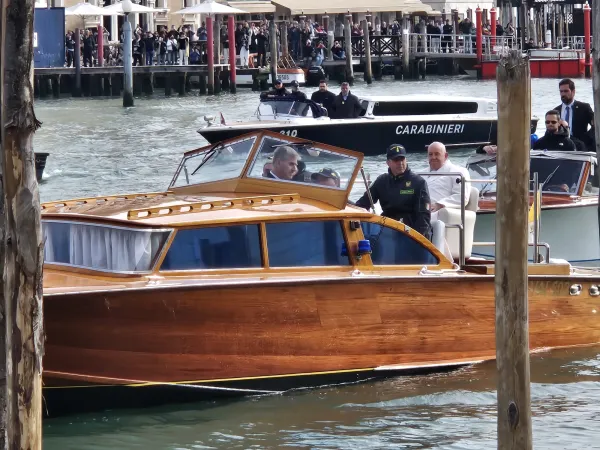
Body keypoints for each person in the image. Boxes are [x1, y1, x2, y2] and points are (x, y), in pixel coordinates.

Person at [354, 144, 432, 240]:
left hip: (411, 233)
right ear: (388, 162)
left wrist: (416, 240)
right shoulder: (382, 181)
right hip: (387, 230)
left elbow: (423, 217)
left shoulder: (419, 182)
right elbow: (362, 204)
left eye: (402, 159)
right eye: (396, 160)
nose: (400, 163)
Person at [422, 142, 471, 221]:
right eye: (430, 154)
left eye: (437, 154)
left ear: (445, 156)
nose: (433, 157)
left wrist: (439, 205)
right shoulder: (421, 174)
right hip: (420, 210)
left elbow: (462, 197)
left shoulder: (459, 172)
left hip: (438, 213)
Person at [554, 78, 595, 151]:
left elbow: (595, 125)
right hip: (561, 146)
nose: (563, 94)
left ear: (573, 92)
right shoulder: (556, 111)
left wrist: (587, 139)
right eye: (561, 91)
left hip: (580, 146)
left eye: (566, 91)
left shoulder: (584, 108)